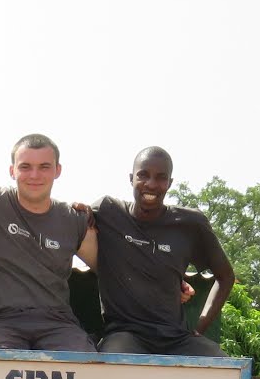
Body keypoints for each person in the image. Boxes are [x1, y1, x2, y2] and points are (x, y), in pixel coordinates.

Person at [0, 134, 98, 352]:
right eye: (25, 167)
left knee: (84, 364)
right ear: (12, 171)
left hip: (58, 326)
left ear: (57, 170)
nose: (34, 175)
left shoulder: (74, 219)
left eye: (44, 166)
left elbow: (110, 270)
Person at [92, 146, 235, 357]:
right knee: (114, 364)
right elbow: (69, 228)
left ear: (169, 183)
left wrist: (200, 328)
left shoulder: (190, 223)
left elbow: (226, 277)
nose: (151, 184)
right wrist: (82, 211)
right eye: (143, 175)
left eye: (160, 177)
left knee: (224, 369)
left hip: (176, 338)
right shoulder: (107, 211)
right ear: (131, 178)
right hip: (125, 336)